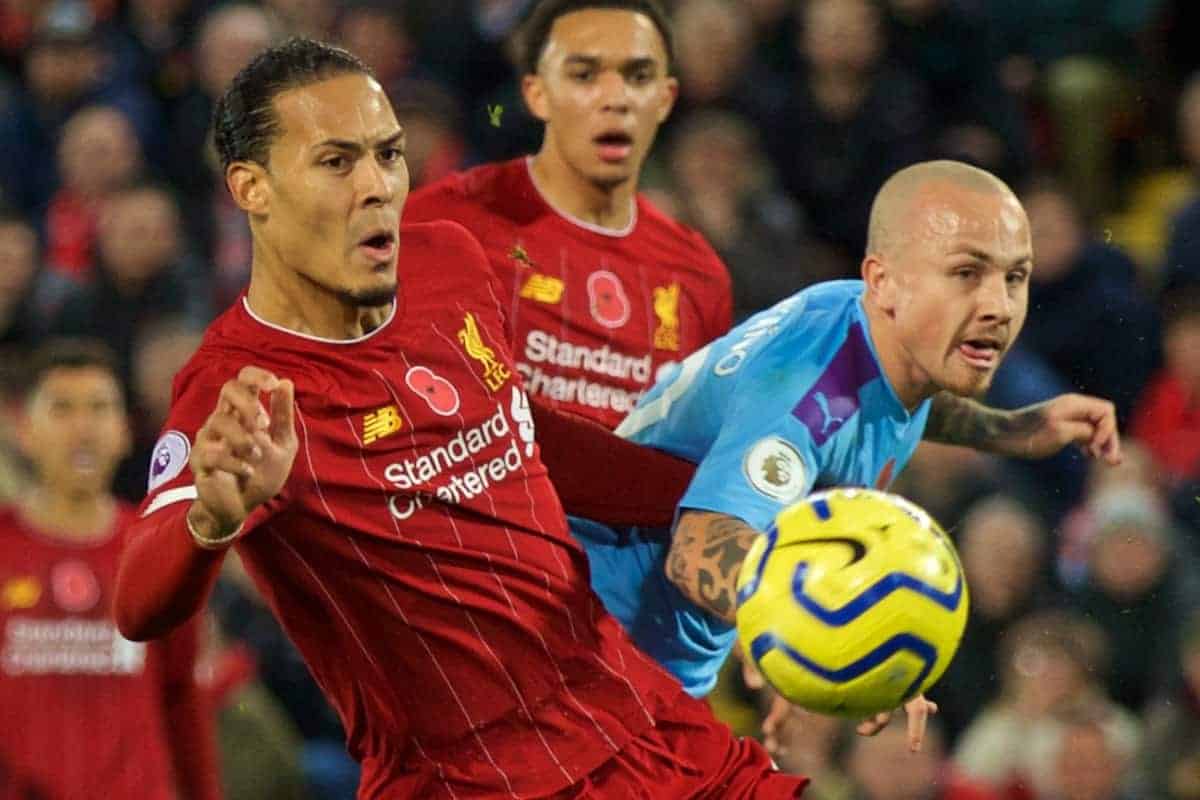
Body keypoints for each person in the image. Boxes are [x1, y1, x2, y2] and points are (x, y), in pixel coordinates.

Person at [113, 38, 806, 798]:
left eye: (388, 154)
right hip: (475, 778)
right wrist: (213, 519)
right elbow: (140, 605)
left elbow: (527, 438)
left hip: (640, 721)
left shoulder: (449, 261)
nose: (377, 186)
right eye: (337, 162)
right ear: (252, 188)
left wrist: (740, 514)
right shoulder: (235, 389)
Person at [595, 160, 1121, 727]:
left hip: (643, 668)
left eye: (1014, 277)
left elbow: (899, 402)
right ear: (883, 281)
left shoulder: (873, 327)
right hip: (589, 666)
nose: (999, 305)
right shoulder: (810, 386)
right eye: (967, 272)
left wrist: (1011, 429)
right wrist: (836, 654)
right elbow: (697, 552)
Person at [404, 0, 733, 431]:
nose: (616, 99)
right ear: (536, 93)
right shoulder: (440, 223)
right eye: (584, 75)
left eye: (638, 76)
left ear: (665, 99)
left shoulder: (698, 274)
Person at [0, 339, 218, 800]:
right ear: (24, 430)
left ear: (124, 430)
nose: (83, 428)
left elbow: (183, 698)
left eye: (100, 408)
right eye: (62, 409)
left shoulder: (161, 547)